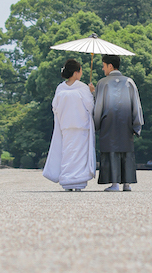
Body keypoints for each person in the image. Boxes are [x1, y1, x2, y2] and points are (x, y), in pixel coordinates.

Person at [42, 59, 96, 191]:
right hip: (81, 126)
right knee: (79, 155)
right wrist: (92, 92)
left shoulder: (60, 88)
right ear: (76, 72)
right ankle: (77, 181)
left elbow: (55, 107)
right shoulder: (83, 87)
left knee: (67, 152)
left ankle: (67, 180)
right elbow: (90, 106)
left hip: (66, 125)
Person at [93, 54, 144, 192]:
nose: (103, 69)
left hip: (108, 123)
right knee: (126, 151)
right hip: (126, 123)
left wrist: (95, 124)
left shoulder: (102, 83)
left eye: (103, 66)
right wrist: (136, 125)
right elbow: (136, 105)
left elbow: (98, 106)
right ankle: (127, 184)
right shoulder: (129, 82)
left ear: (110, 66)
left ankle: (114, 183)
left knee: (111, 151)